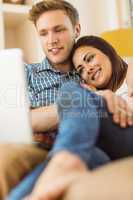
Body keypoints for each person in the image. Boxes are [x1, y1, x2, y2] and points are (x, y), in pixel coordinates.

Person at [2, 0, 133, 198]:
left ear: (76, 29)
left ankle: (65, 162)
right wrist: (86, 99)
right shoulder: (27, 73)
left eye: (59, 30)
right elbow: (22, 121)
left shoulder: (89, 74)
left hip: (90, 140)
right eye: (44, 33)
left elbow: (122, 69)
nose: (51, 39)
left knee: (72, 89)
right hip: (49, 145)